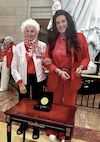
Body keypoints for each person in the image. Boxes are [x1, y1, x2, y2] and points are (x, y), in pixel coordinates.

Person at [43, 10, 90, 142]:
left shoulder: (79, 37)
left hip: (72, 78)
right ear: (55, 25)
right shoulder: (52, 39)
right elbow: (46, 60)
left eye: (63, 21)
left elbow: (86, 57)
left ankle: (65, 134)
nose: (61, 24)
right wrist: (57, 70)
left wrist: (81, 67)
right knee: (55, 106)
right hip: (56, 76)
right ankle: (53, 130)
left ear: (68, 21)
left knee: (69, 108)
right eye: (58, 22)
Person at [11, 18, 47, 139]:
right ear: (24, 32)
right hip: (23, 79)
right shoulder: (19, 47)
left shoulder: (42, 46)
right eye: (27, 31)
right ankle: (23, 124)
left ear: (36, 32)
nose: (30, 33)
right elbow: (13, 67)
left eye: (32, 31)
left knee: (38, 104)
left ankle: (36, 126)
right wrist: (20, 83)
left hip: (38, 79)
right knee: (23, 104)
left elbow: (46, 64)